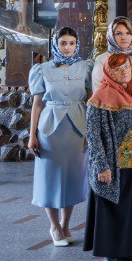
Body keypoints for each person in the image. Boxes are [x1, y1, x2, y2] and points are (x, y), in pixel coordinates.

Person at [84, 54, 132, 261]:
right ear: (108, 72)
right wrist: (102, 166)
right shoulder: (100, 98)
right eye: (118, 69)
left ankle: (130, 249)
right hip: (116, 164)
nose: (124, 72)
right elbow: (93, 136)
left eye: (126, 68)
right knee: (115, 209)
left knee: (131, 209)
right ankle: (113, 254)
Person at [28, 27, 93, 247]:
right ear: (56, 44)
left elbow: (91, 101)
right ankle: (54, 226)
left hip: (77, 127)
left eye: (71, 43)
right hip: (49, 129)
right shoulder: (42, 69)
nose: (67, 48)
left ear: (77, 44)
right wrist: (32, 135)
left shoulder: (85, 67)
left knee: (72, 177)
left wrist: (91, 131)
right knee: (50, 178)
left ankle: (66, 224)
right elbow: (37, 104)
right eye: (63, 43)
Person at [93, 17, 132, 95]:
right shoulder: (102, 60)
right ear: (111, 36)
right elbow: (98, 92)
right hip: (114, 106)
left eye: (128, 33)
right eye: (118, 33)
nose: (124, 37)